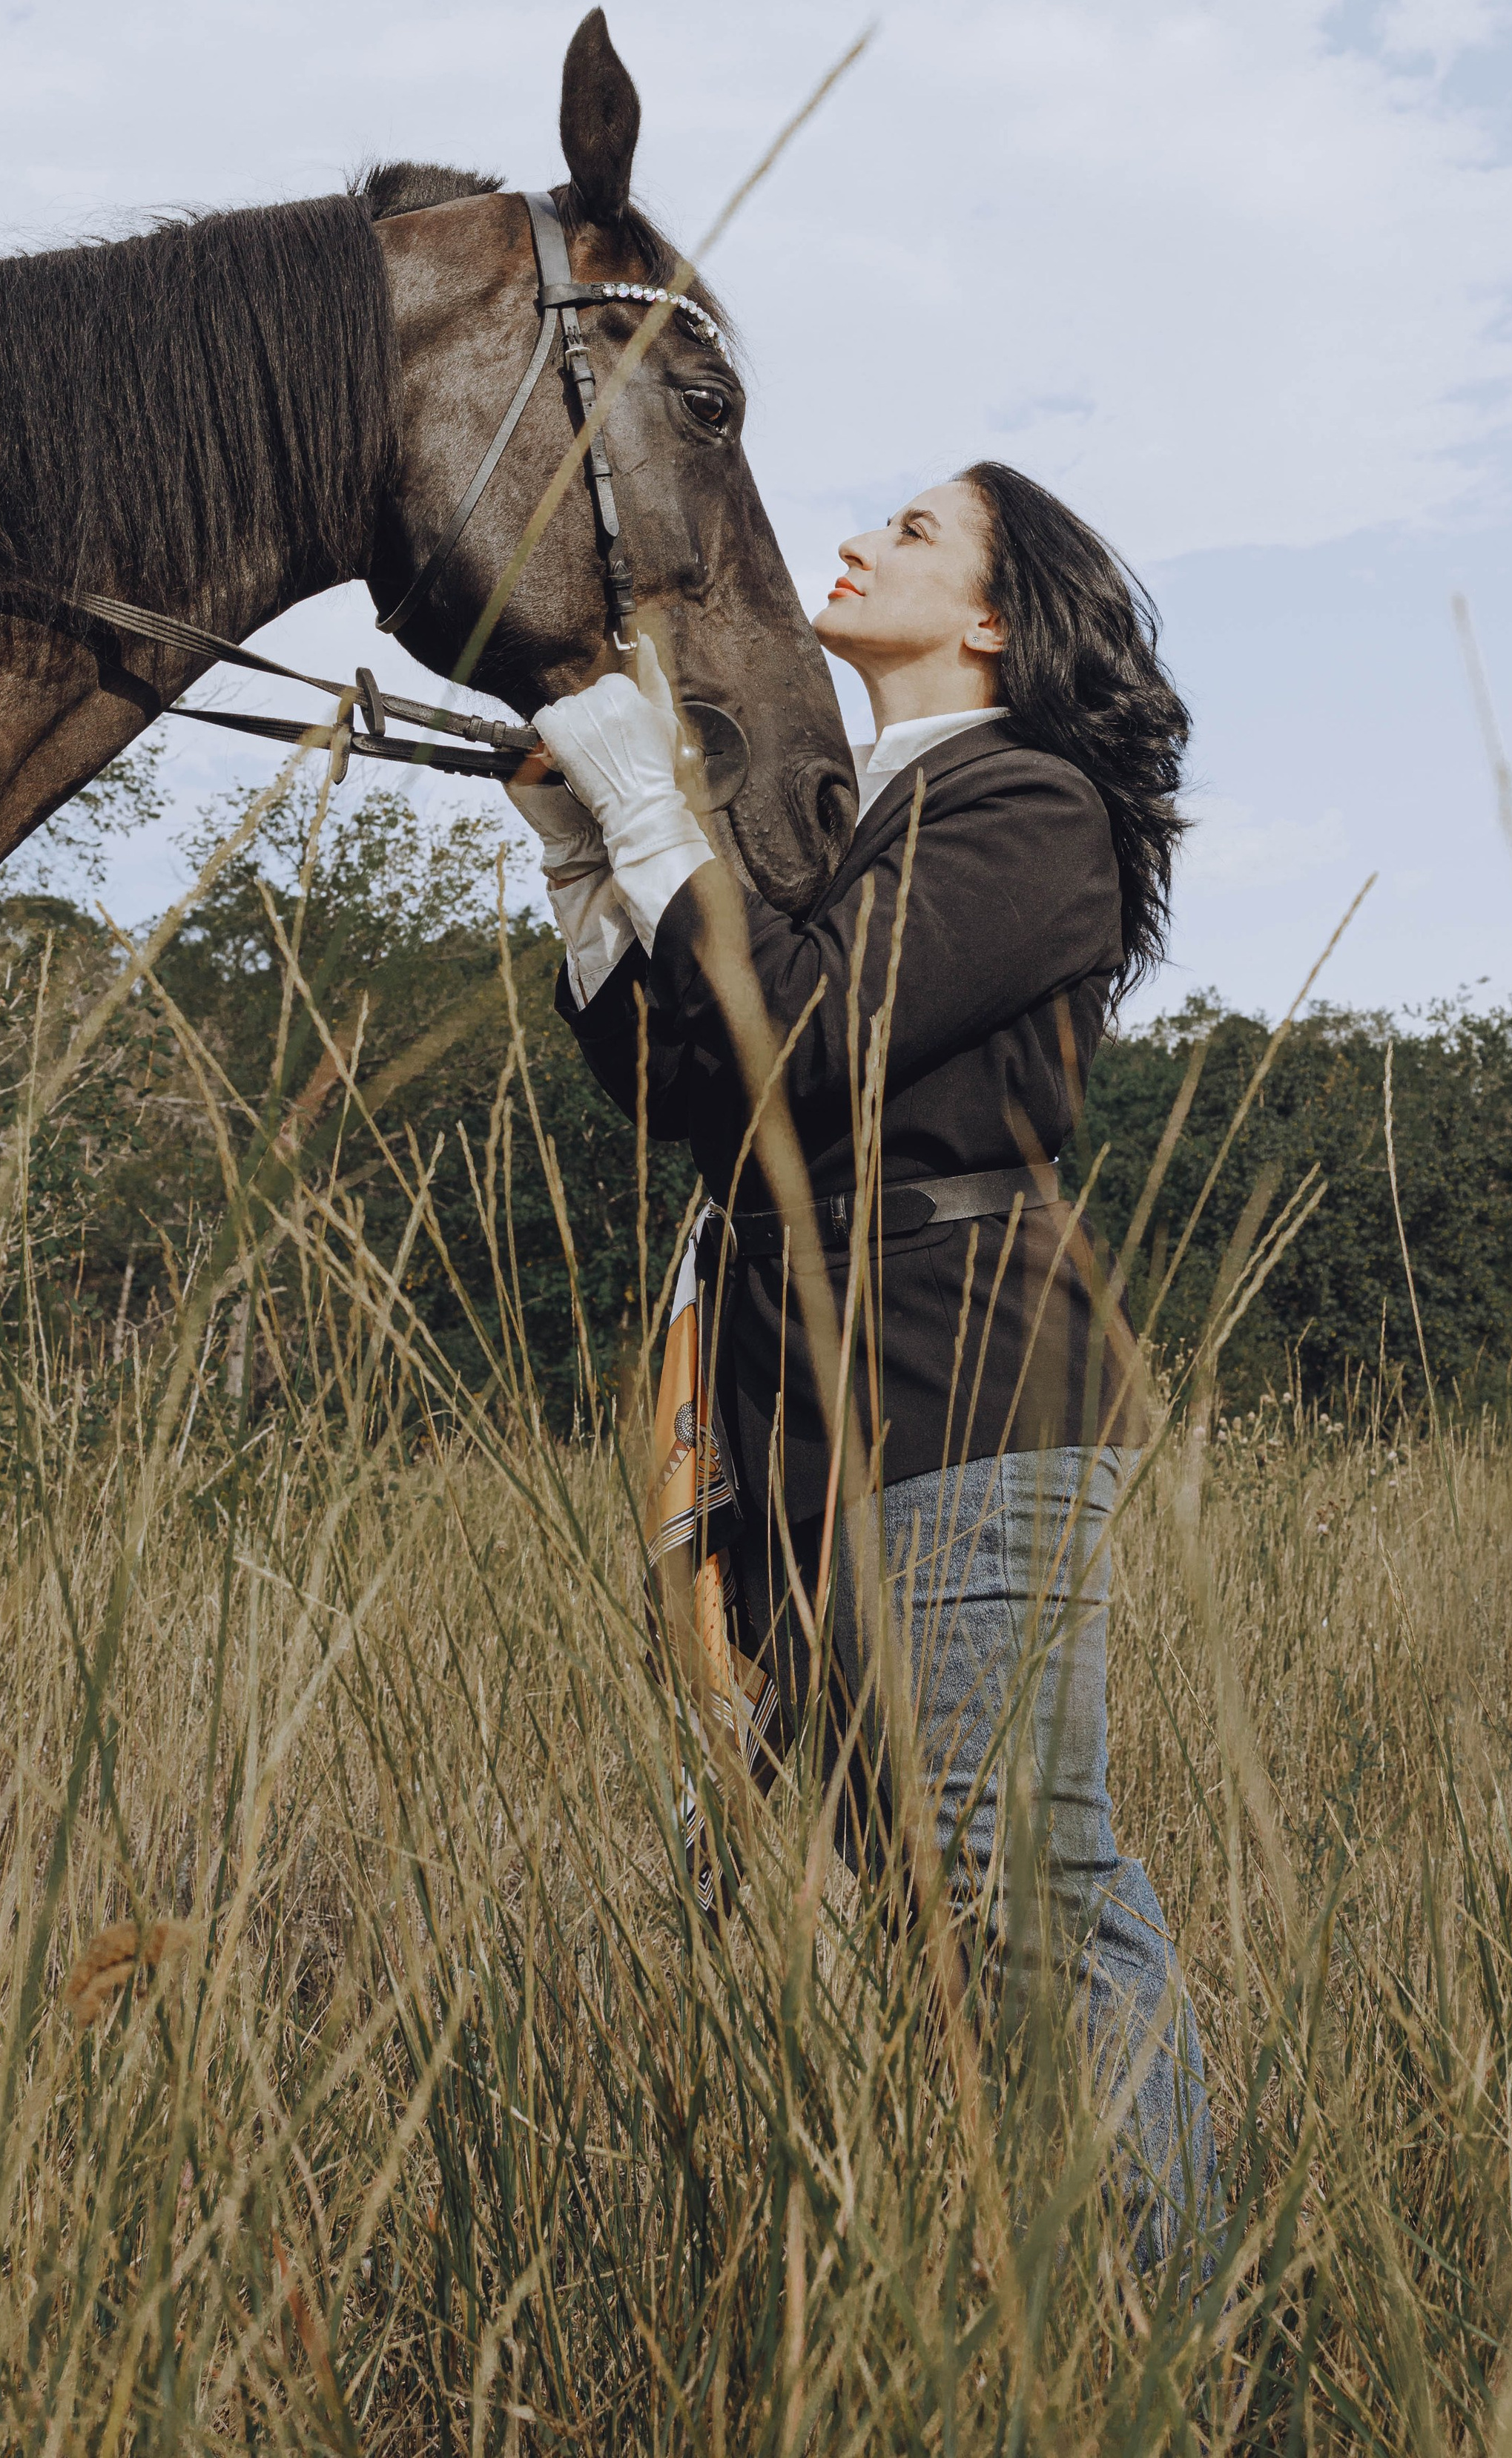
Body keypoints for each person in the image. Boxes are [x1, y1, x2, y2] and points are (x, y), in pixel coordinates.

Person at [509, 459, 1216, 2267]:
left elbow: (803, 1035)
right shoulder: (841, 828)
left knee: (1014, 1885)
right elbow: (685, 1081)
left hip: (961, 1392)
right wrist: (590, 847)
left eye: (906, 531)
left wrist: (637, 789)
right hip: (795, 1413)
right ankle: (1020, 2295)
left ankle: (1179, 2340)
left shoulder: (1028, 806)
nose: (848, 540)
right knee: (894, 1898)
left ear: (991, 616)